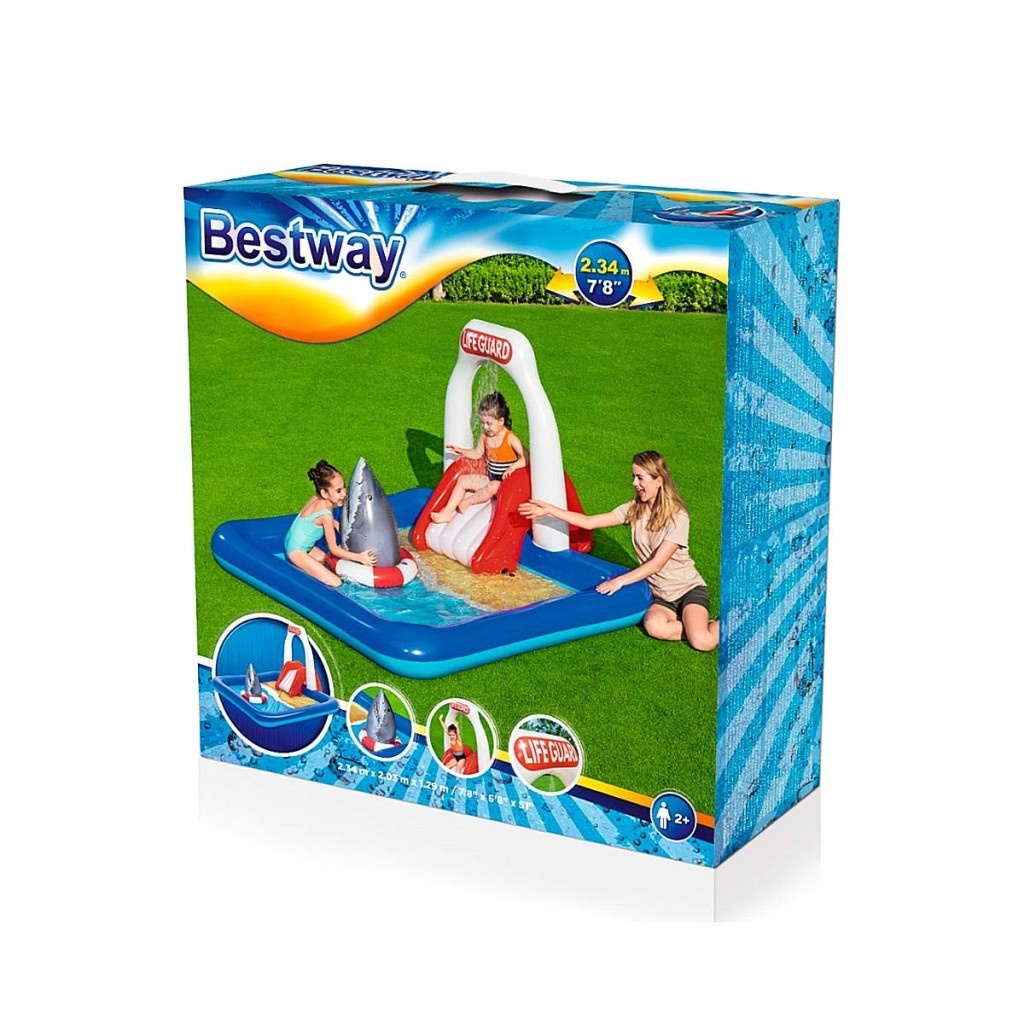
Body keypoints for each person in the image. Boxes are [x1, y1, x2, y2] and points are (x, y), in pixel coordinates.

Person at [519, 450, 719, 651]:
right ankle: (695, 625)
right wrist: (549, 510)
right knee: (654, 627)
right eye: (634, 477)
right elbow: (590, 522)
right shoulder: (635, 509)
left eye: (640, 478)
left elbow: (657, 564)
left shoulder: (678, 517)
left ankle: (722, 623)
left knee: (702, 642)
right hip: (661, 596)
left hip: (687, 589)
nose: (634, 483)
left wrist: (619, 581)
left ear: (658, 480)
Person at [430, 392, 528, 524]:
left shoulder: (510, 438)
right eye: (483, 423)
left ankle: (467, 502)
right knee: (463, 480)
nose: (485, 427)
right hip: (490, 478)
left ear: (501, 421)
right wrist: (461, 451)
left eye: (489, 423)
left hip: (506, 488)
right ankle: (447, 512)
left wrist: (514, 467)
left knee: (493, 486)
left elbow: (527, 457)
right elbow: (477, 454)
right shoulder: (485, 437)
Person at [284, 459, 377, 587]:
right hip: (296, 551)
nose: (344, 494)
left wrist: (336, 524)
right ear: (324, 493)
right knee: (336, 582)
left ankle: (305, 566)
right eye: (338, 491)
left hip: (291, 541)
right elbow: (334, 550)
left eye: (343, 487)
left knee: (322, 558)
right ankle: (297, 573)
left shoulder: (316, 499)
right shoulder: (326, 515)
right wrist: (360, 557)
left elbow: (311, 520)